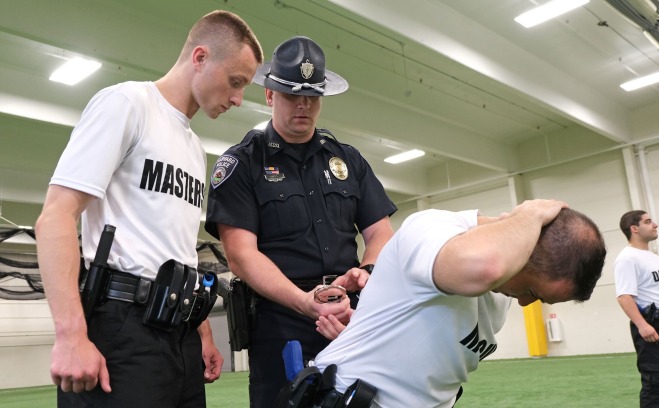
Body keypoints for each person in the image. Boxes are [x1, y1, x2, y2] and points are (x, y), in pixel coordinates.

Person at [34, 10, 263, 408]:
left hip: (179, 337)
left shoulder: (193, 147)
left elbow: (174, 247)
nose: (238, 99)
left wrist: (201, 330)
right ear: (200, 58)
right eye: (236, 82)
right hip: (121, 330)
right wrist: (70, 336)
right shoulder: (127, 104)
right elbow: (54, 217)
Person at [204, 35, 397, 407]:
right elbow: (241, 255)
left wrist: (366, 271)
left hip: (349, 315)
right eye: (293, 95)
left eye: (312, 96)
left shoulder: (349, 160)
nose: (304, 105)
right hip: (281, 323)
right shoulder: (242, 163)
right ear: (270, 95)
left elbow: (380, 232)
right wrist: (304, 302)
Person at [311, 199, 606, 408]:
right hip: (346, 399)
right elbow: (482, 268)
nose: (528, 304)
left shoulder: (504, 295)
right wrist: (529, 215)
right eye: (533, 291)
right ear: (523, 246)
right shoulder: (432, 226)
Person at [614, 210, 659, 407]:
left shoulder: (651, 256)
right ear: (634, 229)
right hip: (651, 324)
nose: (655, 224)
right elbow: (624, 297)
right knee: (655, 381)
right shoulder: (627, 258)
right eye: (648, 222)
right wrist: (642, 325)